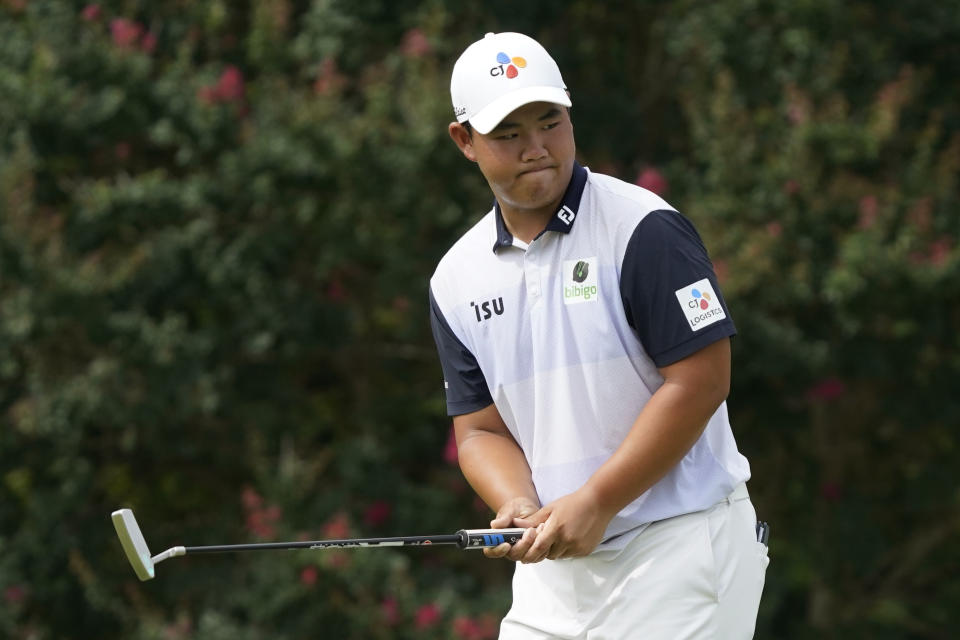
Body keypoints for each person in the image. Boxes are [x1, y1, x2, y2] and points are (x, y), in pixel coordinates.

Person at [429, 31, 768, 639]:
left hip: (681, 547)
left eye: (549, 122)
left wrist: (598, 500)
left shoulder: (645, 231)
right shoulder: (455, 277)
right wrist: (516, 503)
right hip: (555, 574)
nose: (536, 148)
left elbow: (702, 380)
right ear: (465, 141)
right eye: (508, 132)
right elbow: (479, 429)